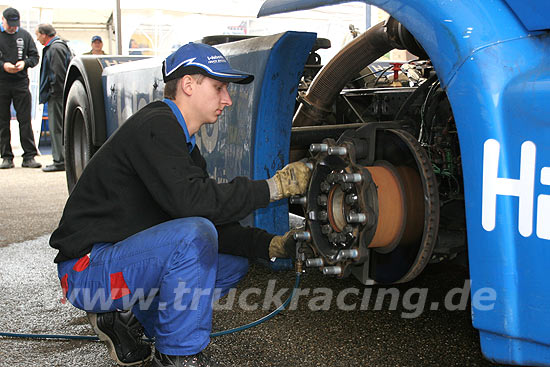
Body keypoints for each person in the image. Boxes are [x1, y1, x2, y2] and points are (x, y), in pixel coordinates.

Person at [49, 42, 311, 367]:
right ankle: (178, 355)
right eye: (219, 87)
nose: (227, 99)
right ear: (188, 85)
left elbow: (211, 219)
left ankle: (143, 322)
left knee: (231, 262)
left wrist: (269, 245)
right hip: (86, 273)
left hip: (117, 265)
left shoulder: (183, 145)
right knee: (193, 235)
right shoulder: (156, 126)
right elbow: (194, 208)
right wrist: (274, 188)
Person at [0, 7, 41, 169]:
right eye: (10, 24)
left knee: (25, 120)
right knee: (3, 121)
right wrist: (4, 66)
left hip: (21, 83)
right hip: (2, 84)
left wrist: (25, 63)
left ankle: (29, 156)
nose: (13, 27)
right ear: (3, 20)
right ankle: (6, 157)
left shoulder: (24, 35)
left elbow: (35, 57)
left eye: (15, 24)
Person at [35, 23, 72, 172]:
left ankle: (59, 160)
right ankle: (60, 159)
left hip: (57, 95)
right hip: (58, 93)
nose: (37, 39)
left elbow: (58, 73)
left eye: (38, 35)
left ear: (44, 34)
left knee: (57, 127)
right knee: (58, 126)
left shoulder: (55, 48)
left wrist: (55, 91)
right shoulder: (59, 46)